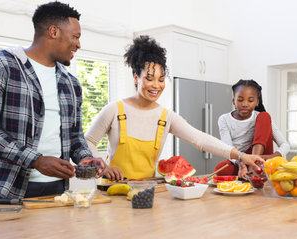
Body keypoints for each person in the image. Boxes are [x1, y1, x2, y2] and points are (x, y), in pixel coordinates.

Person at [0, 1, 104, 204]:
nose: (78, 44)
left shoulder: (71, 83)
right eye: (75, 37)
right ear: (53, 31)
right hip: (4, 189)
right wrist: (36, 160)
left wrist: (84, 157)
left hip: (57, 190)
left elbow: (74, 136)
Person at [84, 36, 264, 180]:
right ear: (136, 77)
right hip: (111, 191)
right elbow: (88, 140)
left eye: (161, 79)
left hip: (147, 191)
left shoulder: (165, 116)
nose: (156, 85)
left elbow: (200, 139)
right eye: (150, 78)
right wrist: (104, 167)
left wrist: (240, 156)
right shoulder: (114, 110)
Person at [216, 79, 290, 178]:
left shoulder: (260, 117)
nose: (245, 104)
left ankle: (254, 168)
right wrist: (241, 163)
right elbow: (228, 149)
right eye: (240, 100)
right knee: (220, 169)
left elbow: (285, 145)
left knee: (264, 116)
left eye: (250, 100)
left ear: (257, 102)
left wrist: (272, 156)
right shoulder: (224, 119)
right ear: (234, 101)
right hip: (242, 159)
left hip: (262, 157)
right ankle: (255, 170)